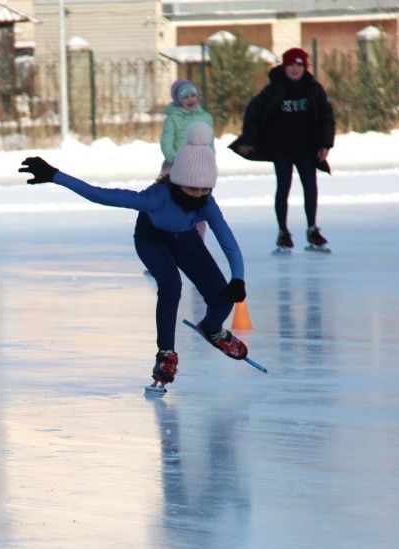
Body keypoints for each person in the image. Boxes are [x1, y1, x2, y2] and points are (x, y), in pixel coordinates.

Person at [19, 123, 248, 391]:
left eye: (204, 191)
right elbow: (102, 195)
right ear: (177, 182)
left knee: (224, 296)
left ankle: (212, 329)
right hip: (152, 239)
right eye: (192, 190)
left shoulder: (207, 204)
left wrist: (238, 278)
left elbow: (227, 239)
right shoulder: (156, 198)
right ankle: (166, 354)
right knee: (171, 284)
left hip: (185, 240)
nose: (198, 196)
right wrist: (56, 175)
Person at [229, 47, 335, 250]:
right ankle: (283, 232)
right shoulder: (275, 88)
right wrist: (249, 140)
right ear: (284, 67)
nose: (295, 69)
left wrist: (325, 144)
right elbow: (254, 111)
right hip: (281, 148)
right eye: (291, 65)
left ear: (305, 67)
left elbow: (326, 116)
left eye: (299, 65)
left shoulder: (313, 89)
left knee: (310, 187)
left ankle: (312, 229)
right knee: (283, 187)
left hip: (307, 148)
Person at [161, 79, 215, 239]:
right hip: (174, 168)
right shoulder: (173, 118)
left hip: (200, 170)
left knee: (198, 204)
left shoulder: (205, 117)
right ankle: (172, 236)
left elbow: (210, 144)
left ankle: (197, 238)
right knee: (173, 203)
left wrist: (209, 162)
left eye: (193, 95)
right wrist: (175, 159)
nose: (190, 99)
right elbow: (166, 141)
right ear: (177, 100)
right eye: (185, 97)